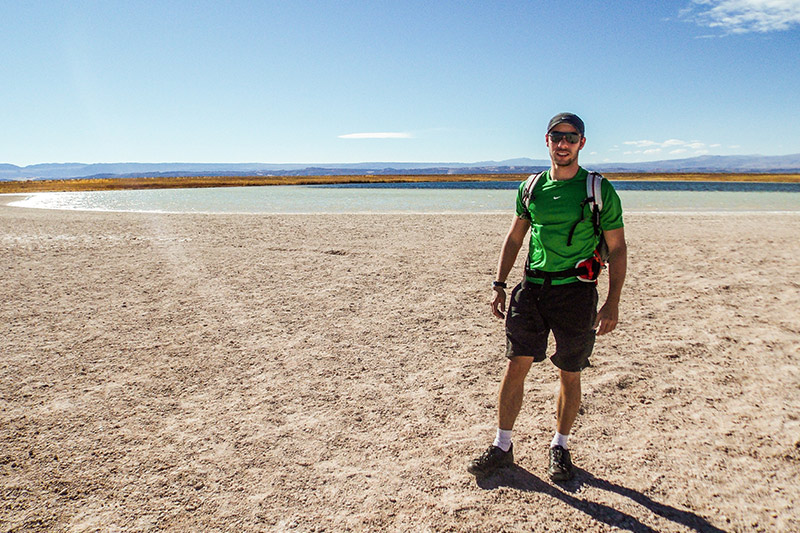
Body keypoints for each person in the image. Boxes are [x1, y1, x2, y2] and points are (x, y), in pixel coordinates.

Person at [467, 112, 627, 481]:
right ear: (547, 140)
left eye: (571, 137)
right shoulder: (531, 187)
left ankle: (560, 446)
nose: (564, 143)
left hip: (577, 293)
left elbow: (617, 249)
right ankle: (502, 446)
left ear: (582, 143)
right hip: (533, 287)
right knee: (515, 364)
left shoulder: (598, 189)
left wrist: (612, 301)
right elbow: (514, 238)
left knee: (569, 372)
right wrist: (499, 283)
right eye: (557, 136)